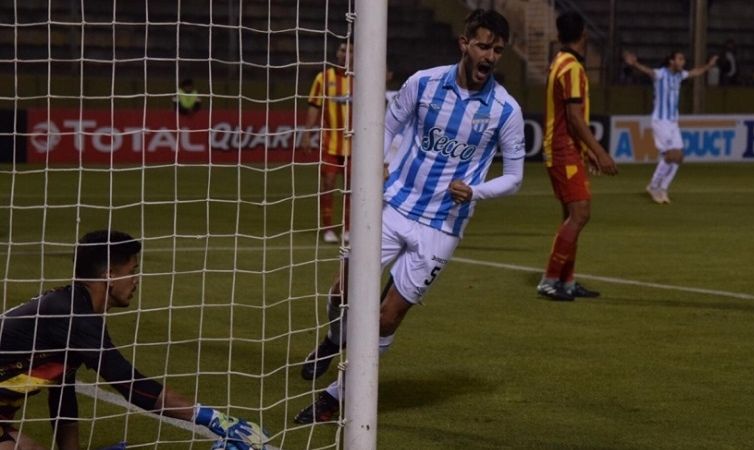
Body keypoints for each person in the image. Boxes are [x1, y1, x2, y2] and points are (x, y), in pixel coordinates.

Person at [294, 8, 525, 423]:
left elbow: (514, 177)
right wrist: (379, 161)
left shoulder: (505, 110)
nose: (490, 56)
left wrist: (477, 191)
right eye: (484, 45)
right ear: (465, 43)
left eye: (498, 50)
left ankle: (335, 398)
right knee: (341, 292)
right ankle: (333, 340)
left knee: (388, 316)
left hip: (442, 227)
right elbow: (386, 126)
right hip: (394, 206)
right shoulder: (423, 83)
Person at [0, 230, 269, 450]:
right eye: (132, 270)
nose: (136, 280)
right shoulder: (73, 316)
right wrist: (214, 419)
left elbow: (63, 401)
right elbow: (131, 384)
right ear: (109, 275)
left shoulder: (71, 310)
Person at [536, 12, 618, 302]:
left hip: (564, 147)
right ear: (584, 33)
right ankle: (549, 279)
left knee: (572, 215)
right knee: (581, 213)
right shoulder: (571, 67)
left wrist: (586, 151)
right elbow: (573, 117)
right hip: (562, 148)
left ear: (559, 36)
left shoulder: (560, 62)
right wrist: (600, 151)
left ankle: (566, 281)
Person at [623, 50, 717, 204]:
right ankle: (653, 186)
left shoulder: (679, 76)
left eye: (683, 59)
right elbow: (649, 72)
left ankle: (663, 188)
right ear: (671, 61)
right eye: (680, 59)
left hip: (673, 122)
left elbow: (694, 72)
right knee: (671, 155)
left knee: (679, 157)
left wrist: (708, 66)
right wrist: (635, 64)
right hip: (661, 121)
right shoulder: (661, 74)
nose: (683, 62)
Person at [300, 41, 354, 244]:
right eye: (342, 50)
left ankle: (348, 229)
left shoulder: (362, 79)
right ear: (337, 53)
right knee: (329, 184)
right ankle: (328, 228)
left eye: (350, 51)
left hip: (355, 145)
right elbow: (314, 106)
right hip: (330, 142)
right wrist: (307, 133)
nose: (345, 54)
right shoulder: (323, 78)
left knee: (352, 187)